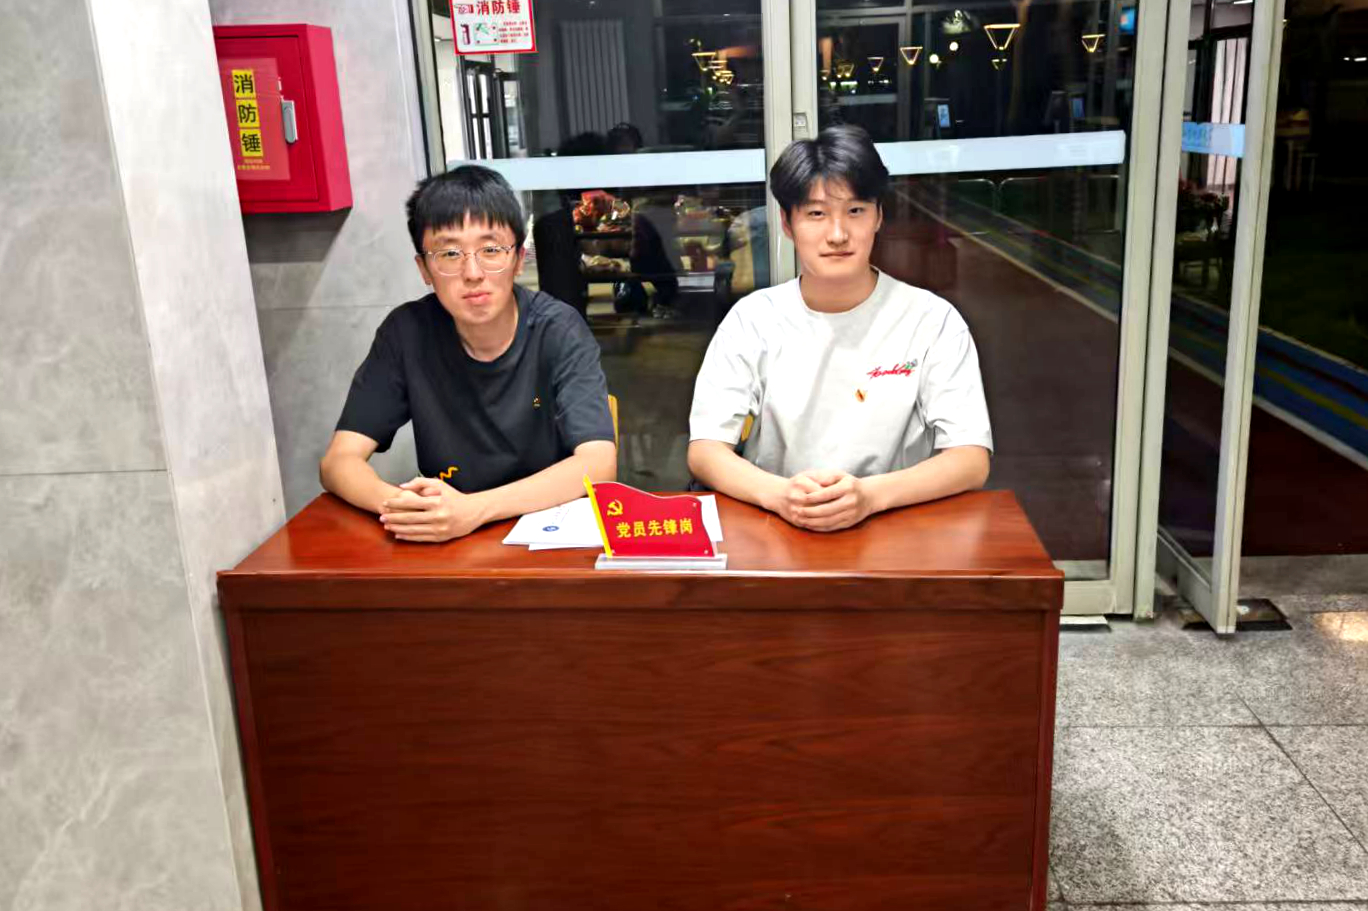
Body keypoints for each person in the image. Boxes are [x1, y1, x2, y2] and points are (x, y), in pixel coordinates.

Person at [687, 124, 992, 532]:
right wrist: (780, 495)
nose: (837, 234)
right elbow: (706, 449)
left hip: (900, 526)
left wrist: (870, 496)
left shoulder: (932, 320)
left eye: (855, 211)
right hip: (779, 526)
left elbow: (970, 459)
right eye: (816, 214)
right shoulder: (752, 320)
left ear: (879, 216)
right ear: (787, 223)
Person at [320, 165, 618, 542]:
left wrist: (474, 510)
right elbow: (339, 461)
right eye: (449, 253)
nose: (473, 272)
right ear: (424, 269)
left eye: (491, 250)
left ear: (518, 257)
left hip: (547, 532)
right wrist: (408, 509)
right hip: (449, 540)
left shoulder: (558, 329)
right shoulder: (406, 333)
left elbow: (598, 463)